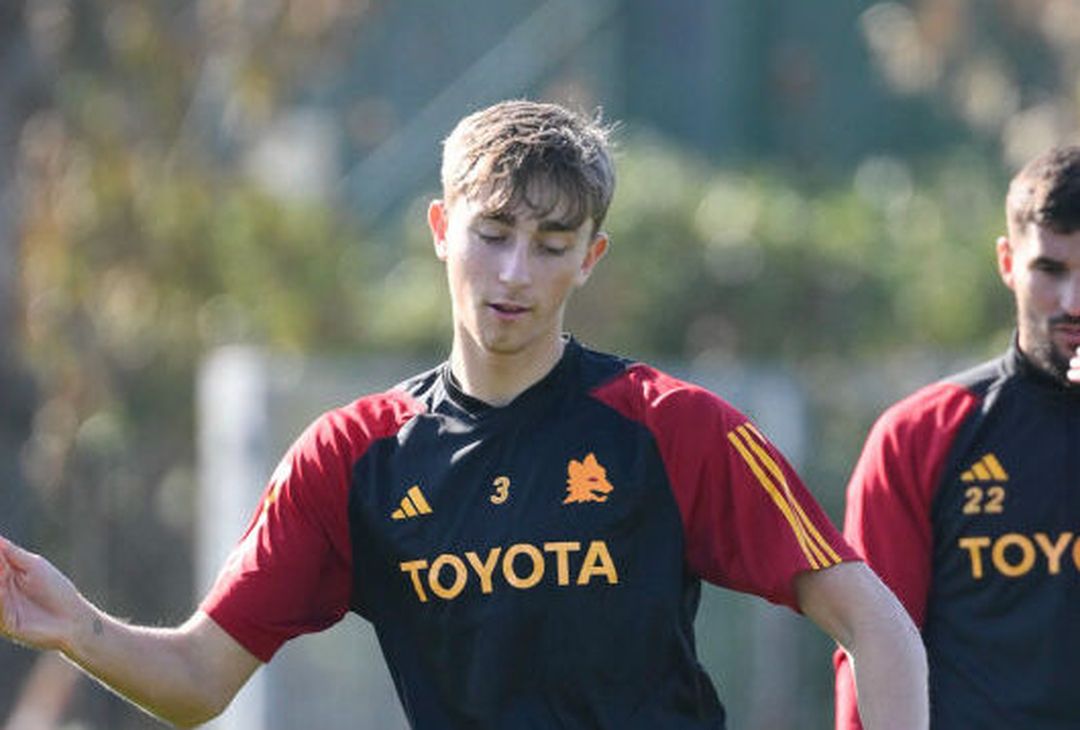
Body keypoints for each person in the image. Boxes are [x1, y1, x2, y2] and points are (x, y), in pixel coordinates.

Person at [1, 99, 927, 729]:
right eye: (492, 235)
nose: (515, 274)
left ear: (590, 258)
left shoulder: (672, 427)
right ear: (443, 229)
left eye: (551, 244)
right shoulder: (350, 456)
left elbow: (874, 623)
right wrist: (75, 626)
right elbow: (203, 679)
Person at [834, 145, 1080, 729]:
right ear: (1007, 261)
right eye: (1051, 270)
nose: (1074, 302)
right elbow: (871, 644)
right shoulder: (918, 438)